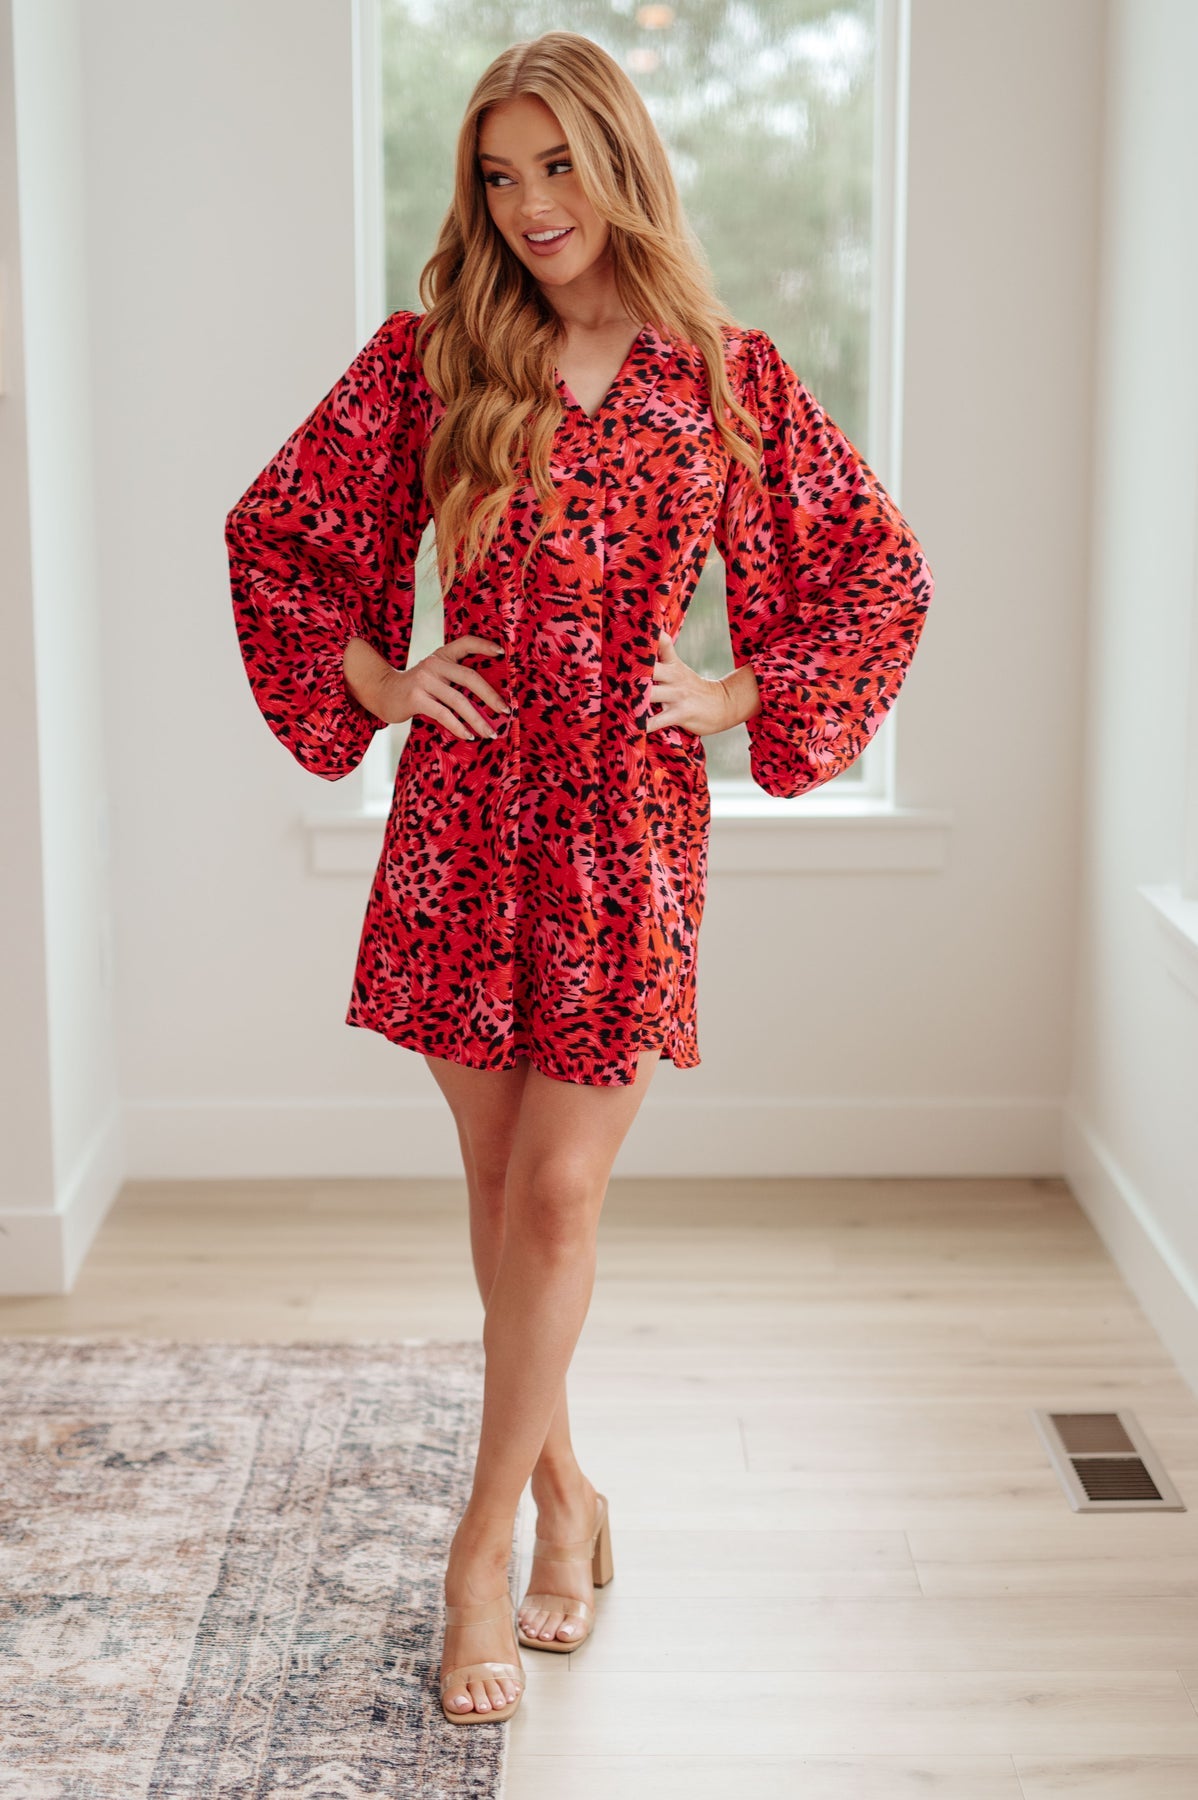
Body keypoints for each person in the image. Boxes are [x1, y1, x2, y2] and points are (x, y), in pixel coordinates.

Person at [224, 30, 933, 1727]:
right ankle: (565, 1497)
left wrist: (742, 689)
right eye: (496, 173)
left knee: (555, 1195)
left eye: (554, 164)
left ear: (616, 162)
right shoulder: (430, 360)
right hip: (466, 809)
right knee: (498, 1194)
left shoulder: (722, 373)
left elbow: (874, 569)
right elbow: (276, 533)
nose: (528, 204)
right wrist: (387, 682)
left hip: (622, 824)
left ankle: (480, 1547)